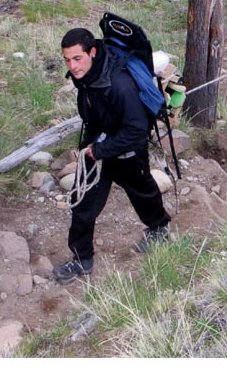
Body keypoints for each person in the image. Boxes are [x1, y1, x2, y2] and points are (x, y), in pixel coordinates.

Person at [53, 27, 172, 284]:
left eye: (77, 58)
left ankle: (159, 227)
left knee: (142, 190)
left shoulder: (120, 85)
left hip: (127, 149)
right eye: (67, 60)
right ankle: (81, 259)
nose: (72, 66)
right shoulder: (87, 76)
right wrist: (91, 147)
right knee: (82, 201)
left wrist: (98, 150)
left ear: (92, 52)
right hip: (100, 143)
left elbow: (137, 131)